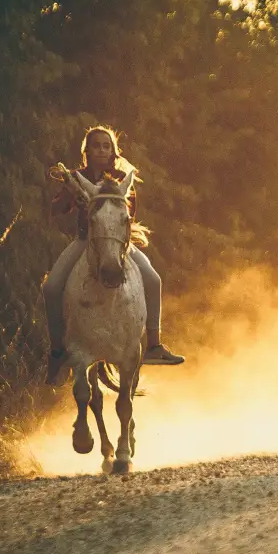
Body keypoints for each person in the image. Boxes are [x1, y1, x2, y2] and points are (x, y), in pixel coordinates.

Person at [44, 126, 186, 385]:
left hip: (118, 243)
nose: (101, 149)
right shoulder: (76, 177)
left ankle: (153, 345)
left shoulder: (121, 178)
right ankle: (58, 351)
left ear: (112, 151)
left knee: (153, 281)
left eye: (105, 146)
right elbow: (56, 209)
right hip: (85, 241)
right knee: (52, 288)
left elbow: (127, 216)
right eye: (95, 145)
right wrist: (72, 194)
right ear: (86, 151)